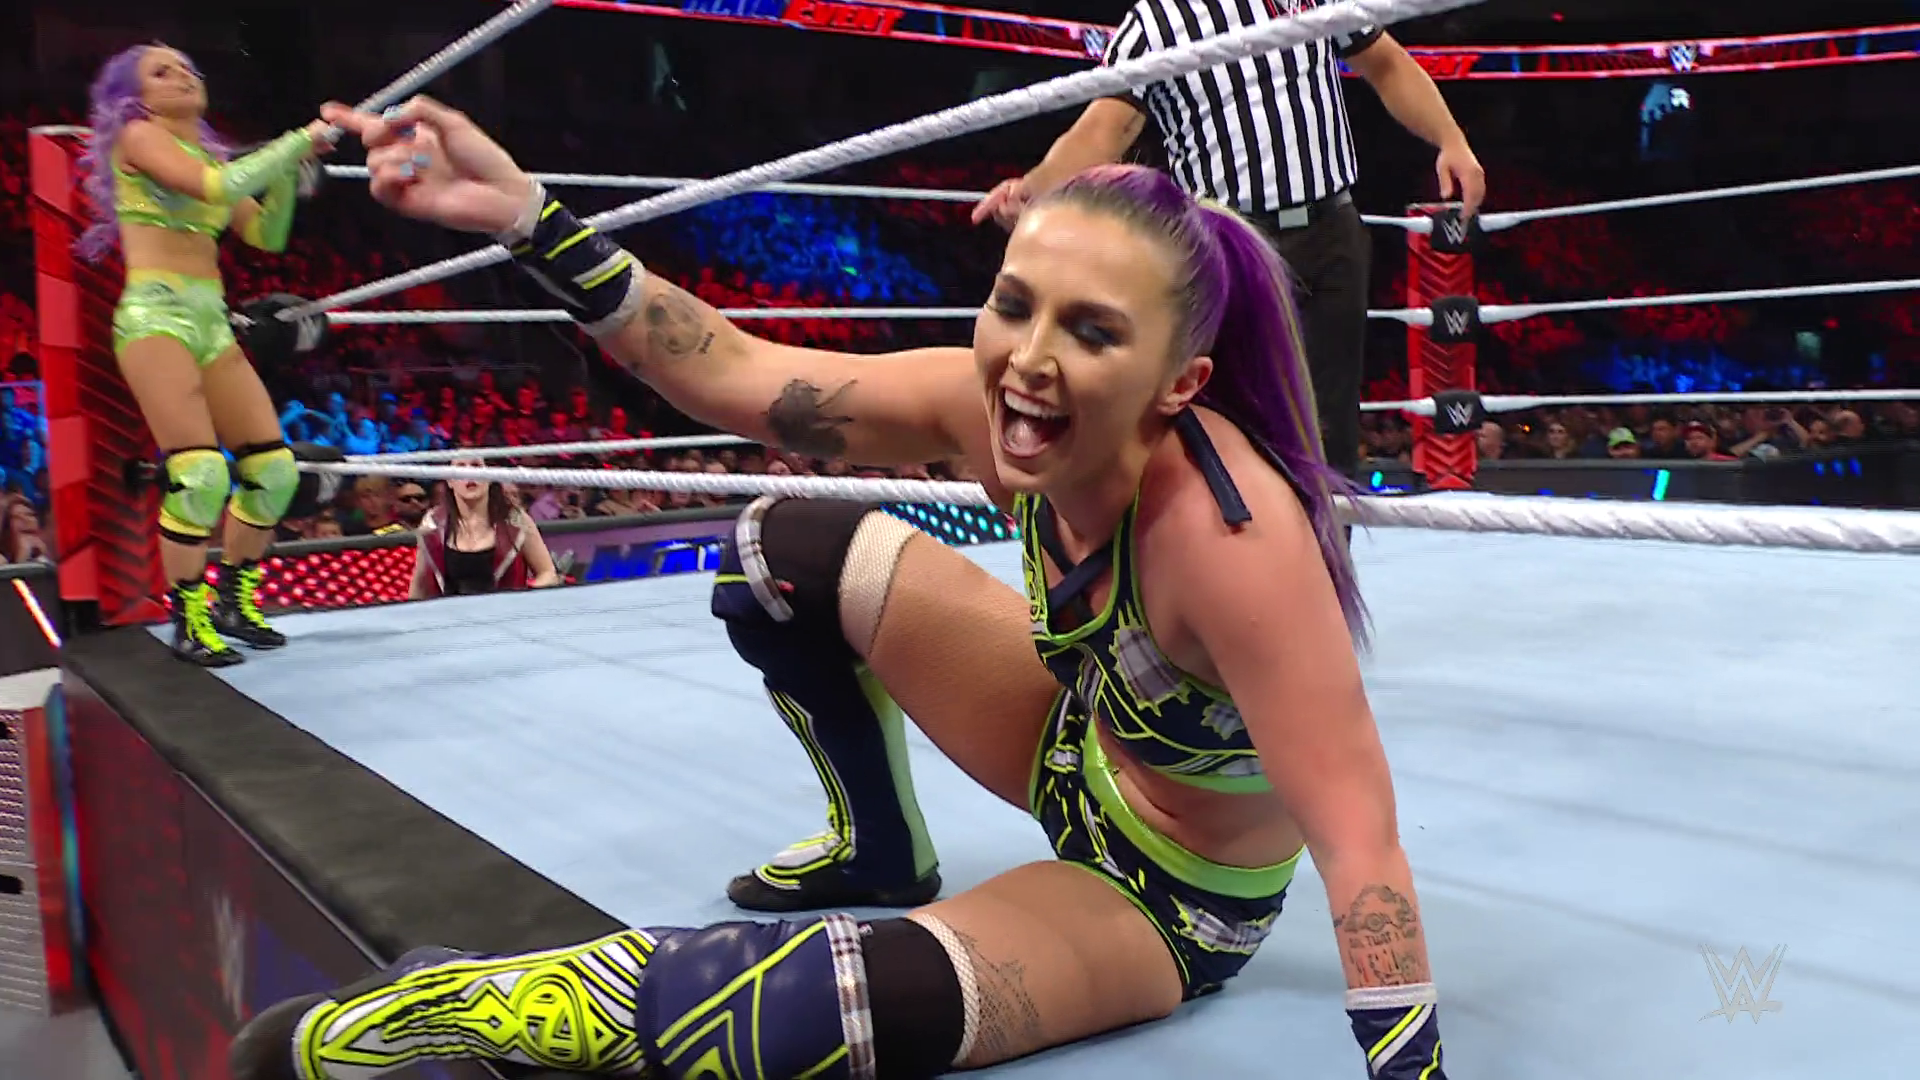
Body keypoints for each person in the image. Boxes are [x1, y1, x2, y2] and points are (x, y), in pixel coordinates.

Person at [230, 97, 1448, 1080]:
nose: (1028, 361)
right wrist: (526, 219)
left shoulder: (1231, 538)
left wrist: (1410, 1067)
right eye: (1014, 306)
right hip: (1069, 744)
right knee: (783, 547)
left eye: (1091, 331)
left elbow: (1359, 836)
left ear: (1179, 383)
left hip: (1166, 893)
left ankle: (486, 1004)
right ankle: (876, 845)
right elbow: (737, 375)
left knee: (823, 1017)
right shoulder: (999, 408)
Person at [973, 0, 1485, 480]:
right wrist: (1035, 188)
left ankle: (1326, 547)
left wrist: (1451, 139)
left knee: (1330, 424)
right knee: (1229, 421)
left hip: (1332, 232)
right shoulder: (1156, 22)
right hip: (1232, 245)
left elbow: (1386, 63)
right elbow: (1106, 128)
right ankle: (1227, 542)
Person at [77, 44, 333, 664]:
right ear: (134, 97)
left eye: (186, 67)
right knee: (200, 474)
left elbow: (265, 235)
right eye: (160, 72)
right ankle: (188, 618)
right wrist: (296, 143)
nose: (182, 75)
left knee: (274, 471)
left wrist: (287, 178)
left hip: (211, 320)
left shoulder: (206, 156)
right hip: (156, 317)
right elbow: (216, 186)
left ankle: (233, 602)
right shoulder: (139, 136)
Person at [408, 459, 561, 598]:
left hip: (505, 614)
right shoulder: (432, 524)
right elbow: (420, 585)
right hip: (451, 616)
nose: (469, 473)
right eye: (461, 467)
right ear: (450, 481)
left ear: (489, 476)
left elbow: (547, 572)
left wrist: (523, 601)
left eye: (476, 465)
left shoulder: (516, 520)